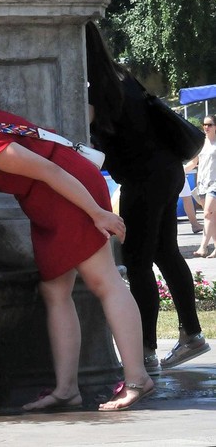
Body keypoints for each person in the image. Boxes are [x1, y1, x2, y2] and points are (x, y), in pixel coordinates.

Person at [0, 110, 154, 412]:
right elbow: (3, 181)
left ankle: (138, 379)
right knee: (55, 292)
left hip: (70, 195)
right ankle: (66, 390)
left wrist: (97, 212)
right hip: (50, 201)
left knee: (105, 283)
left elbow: (50, 171)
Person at [86, 22, 210, 374]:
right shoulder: (121, 76)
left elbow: (78, 134)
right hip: (168, 170)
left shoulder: (95, 87)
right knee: (166, 252)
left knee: (138, 263)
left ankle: (145, 352)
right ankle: (192, 335)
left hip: (143, 178)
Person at [187, 115, 216, 258]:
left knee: (207, 214)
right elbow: (193, 163)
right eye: (204, 124)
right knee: (212, 217)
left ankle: (203, 247)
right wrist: (178, 172)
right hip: (202, 184)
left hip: (215, 184)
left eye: (210, 124)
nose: (206, 127)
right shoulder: (201, 144)